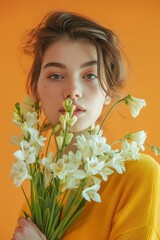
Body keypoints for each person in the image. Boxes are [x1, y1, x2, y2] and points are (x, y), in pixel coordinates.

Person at [12, 11, 160, 240]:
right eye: (55, 76)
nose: (73, 90)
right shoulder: (37, 198)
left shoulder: (139, 175)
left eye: (90, 75)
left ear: (108, 91)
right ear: (35, 90)